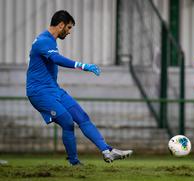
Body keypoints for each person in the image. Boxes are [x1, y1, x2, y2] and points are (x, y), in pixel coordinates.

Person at [26, 10, 132, 165]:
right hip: (39, 92)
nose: (69, 32)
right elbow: (56, 59)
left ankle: (106, 150)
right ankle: (74, 163)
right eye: (68, 28)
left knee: (82, 117)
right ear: (61, 25)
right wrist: (82, 66)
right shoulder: (43, 41)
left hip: (54, 90)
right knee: (67, 122)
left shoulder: (50, 41)